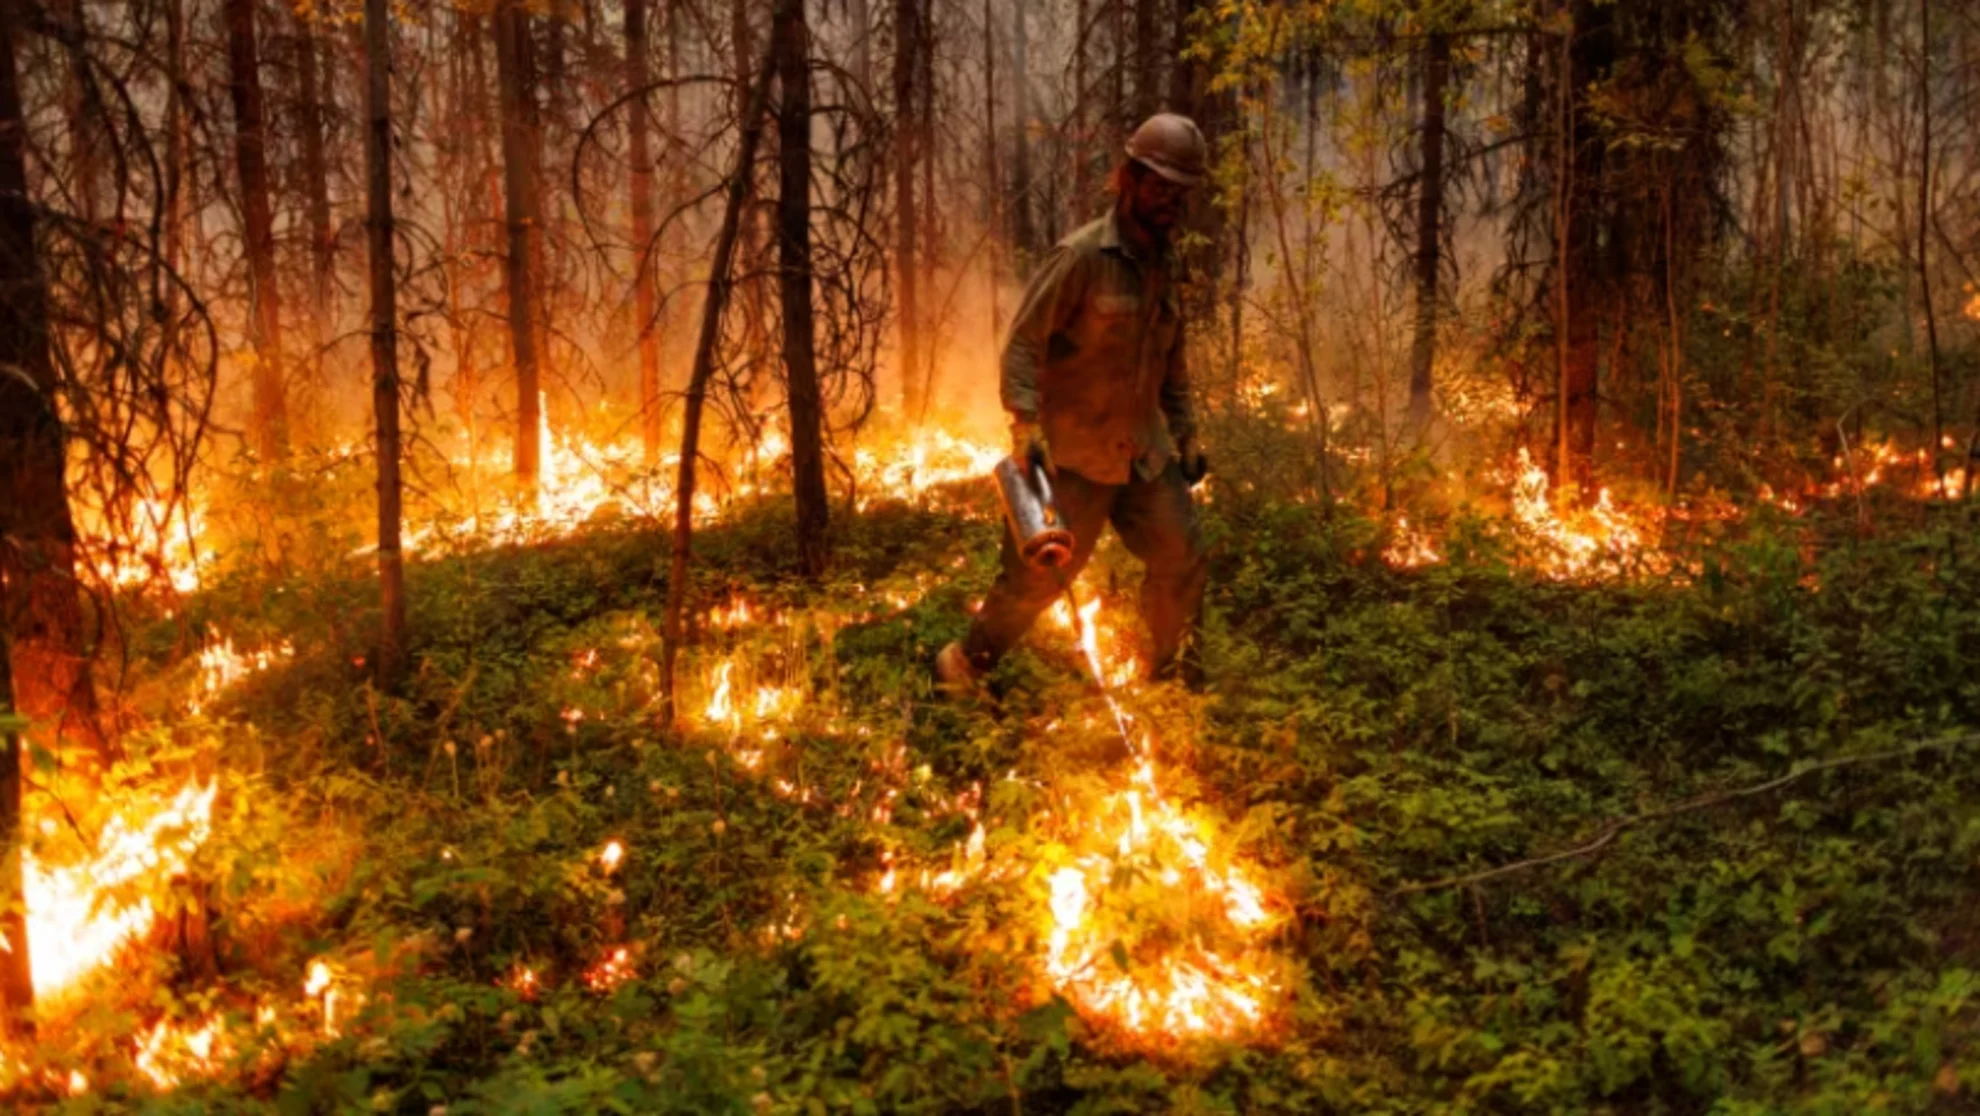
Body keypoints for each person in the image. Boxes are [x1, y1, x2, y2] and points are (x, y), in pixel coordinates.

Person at [936, 112, 1210, 695]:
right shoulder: (1080, 258)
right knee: (1032, 582)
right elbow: (1022, 346)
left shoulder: (1165, 264)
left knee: (1182, 555)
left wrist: (1184, 430)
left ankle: (1167, 681)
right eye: (1161, 187)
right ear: (1129, 180)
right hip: (1074, 460)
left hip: (1143, 456)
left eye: (1179, 193)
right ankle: (962, 667)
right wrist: (1024, 425)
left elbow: (1172, 358)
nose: (1170, 203)